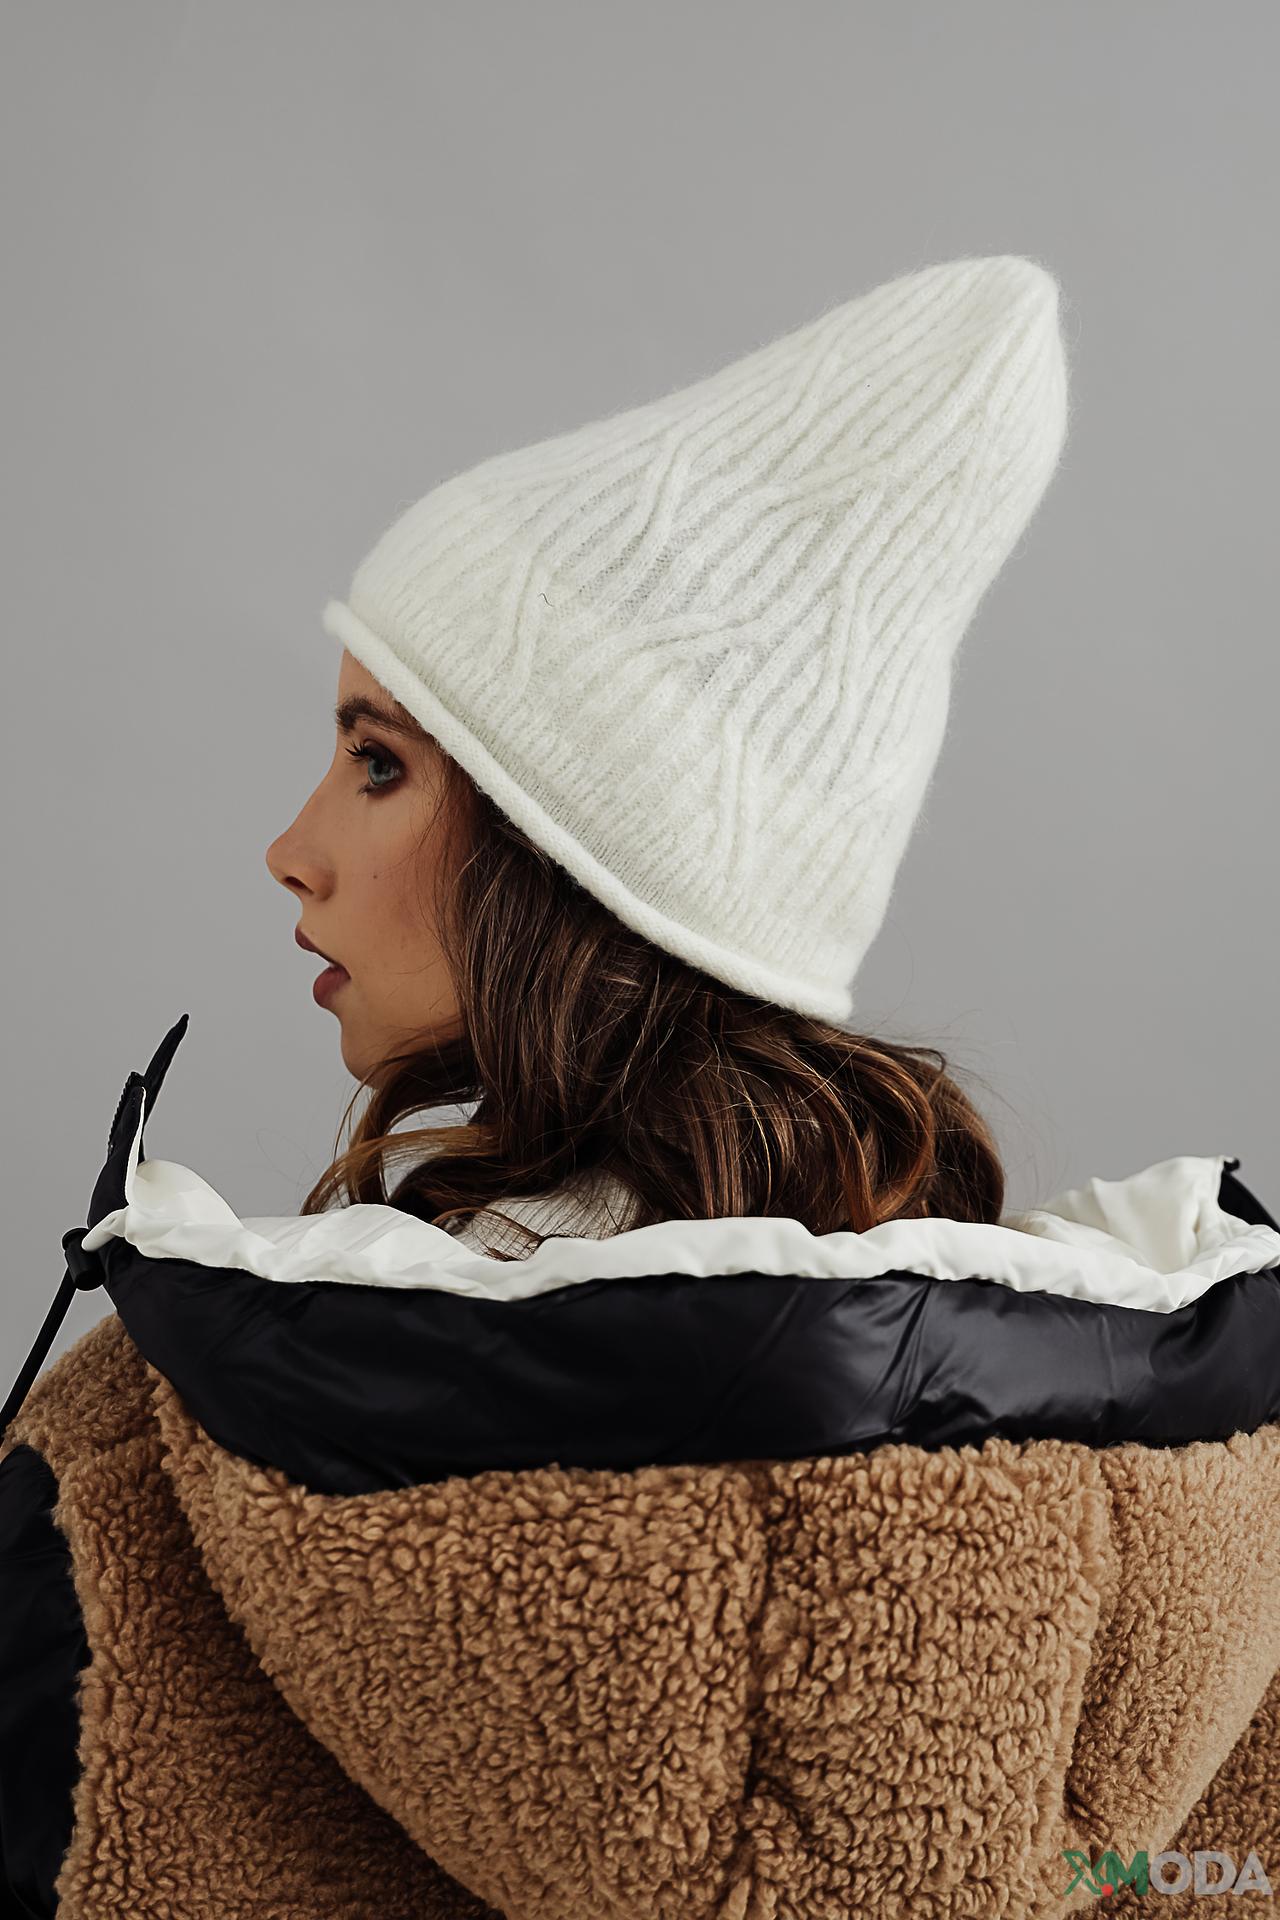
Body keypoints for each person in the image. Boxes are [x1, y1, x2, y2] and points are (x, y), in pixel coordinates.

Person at [3, 254, 1280, 1919]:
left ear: (575, 863)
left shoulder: (152, 1474)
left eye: (378, 761)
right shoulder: (1197, 1522)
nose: (292, 847)